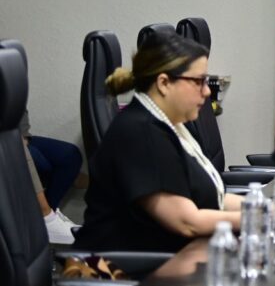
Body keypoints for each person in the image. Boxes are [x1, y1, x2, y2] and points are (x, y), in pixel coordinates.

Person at [73, 32, 242, 253]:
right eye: (198, 81)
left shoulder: (171, 125)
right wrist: (258, 217)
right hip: (125, 268)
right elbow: (187, 222)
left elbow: (214, 197)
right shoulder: (141, 133)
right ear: (164, 83)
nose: (207, 91)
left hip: (167, 259)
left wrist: (266, 207)